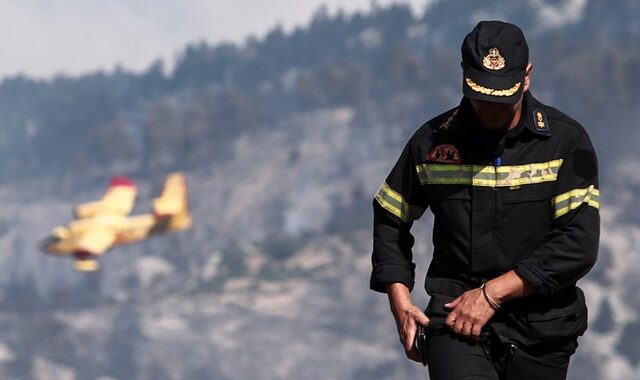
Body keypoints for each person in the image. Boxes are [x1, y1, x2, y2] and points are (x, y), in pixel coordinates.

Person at [370, 20, 599, 379]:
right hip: (457, 319)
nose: (491, 107)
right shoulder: (431, 143)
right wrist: (400, 302)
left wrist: (492, 294)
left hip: (542, 328)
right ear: (464, 78)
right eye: (482, 95)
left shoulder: (564, 142)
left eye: (502, 96)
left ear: (527, 77)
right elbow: (390, 214)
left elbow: (578, 244)